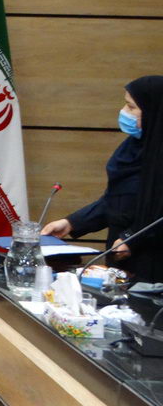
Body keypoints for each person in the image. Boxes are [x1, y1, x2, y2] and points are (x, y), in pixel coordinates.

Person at [45, 76, 163, 281]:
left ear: (155, 112)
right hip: (121, 260)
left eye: (131, 107)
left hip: (154, 266)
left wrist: (133, 239)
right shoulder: (133, 147)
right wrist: (72, 223)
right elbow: (115, 200)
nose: (123, 112)